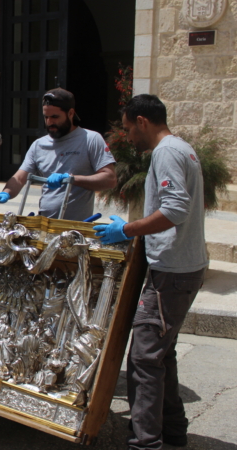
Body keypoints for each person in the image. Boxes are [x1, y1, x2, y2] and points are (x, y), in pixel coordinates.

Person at [93, 94, 207, 450]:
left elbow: (175, 209)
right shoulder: (181, 148)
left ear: (142, 121)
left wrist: (127, 231)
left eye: (128, 129)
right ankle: (173, 432)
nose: (128, 138)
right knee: (161, 353)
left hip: (172, 271)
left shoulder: (167, 152)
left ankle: (145, 443)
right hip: (179, 267)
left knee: (144, 357)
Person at [0, 88, 117, 221]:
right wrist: (5, 193)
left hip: (76, 228)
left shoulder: (91, 139)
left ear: (70, 113)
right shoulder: (38, 145)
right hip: (44, 224)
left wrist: (71, 179)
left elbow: (110, 179)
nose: (49, 123)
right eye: (46, 117)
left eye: (55, 117)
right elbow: (20, 178)